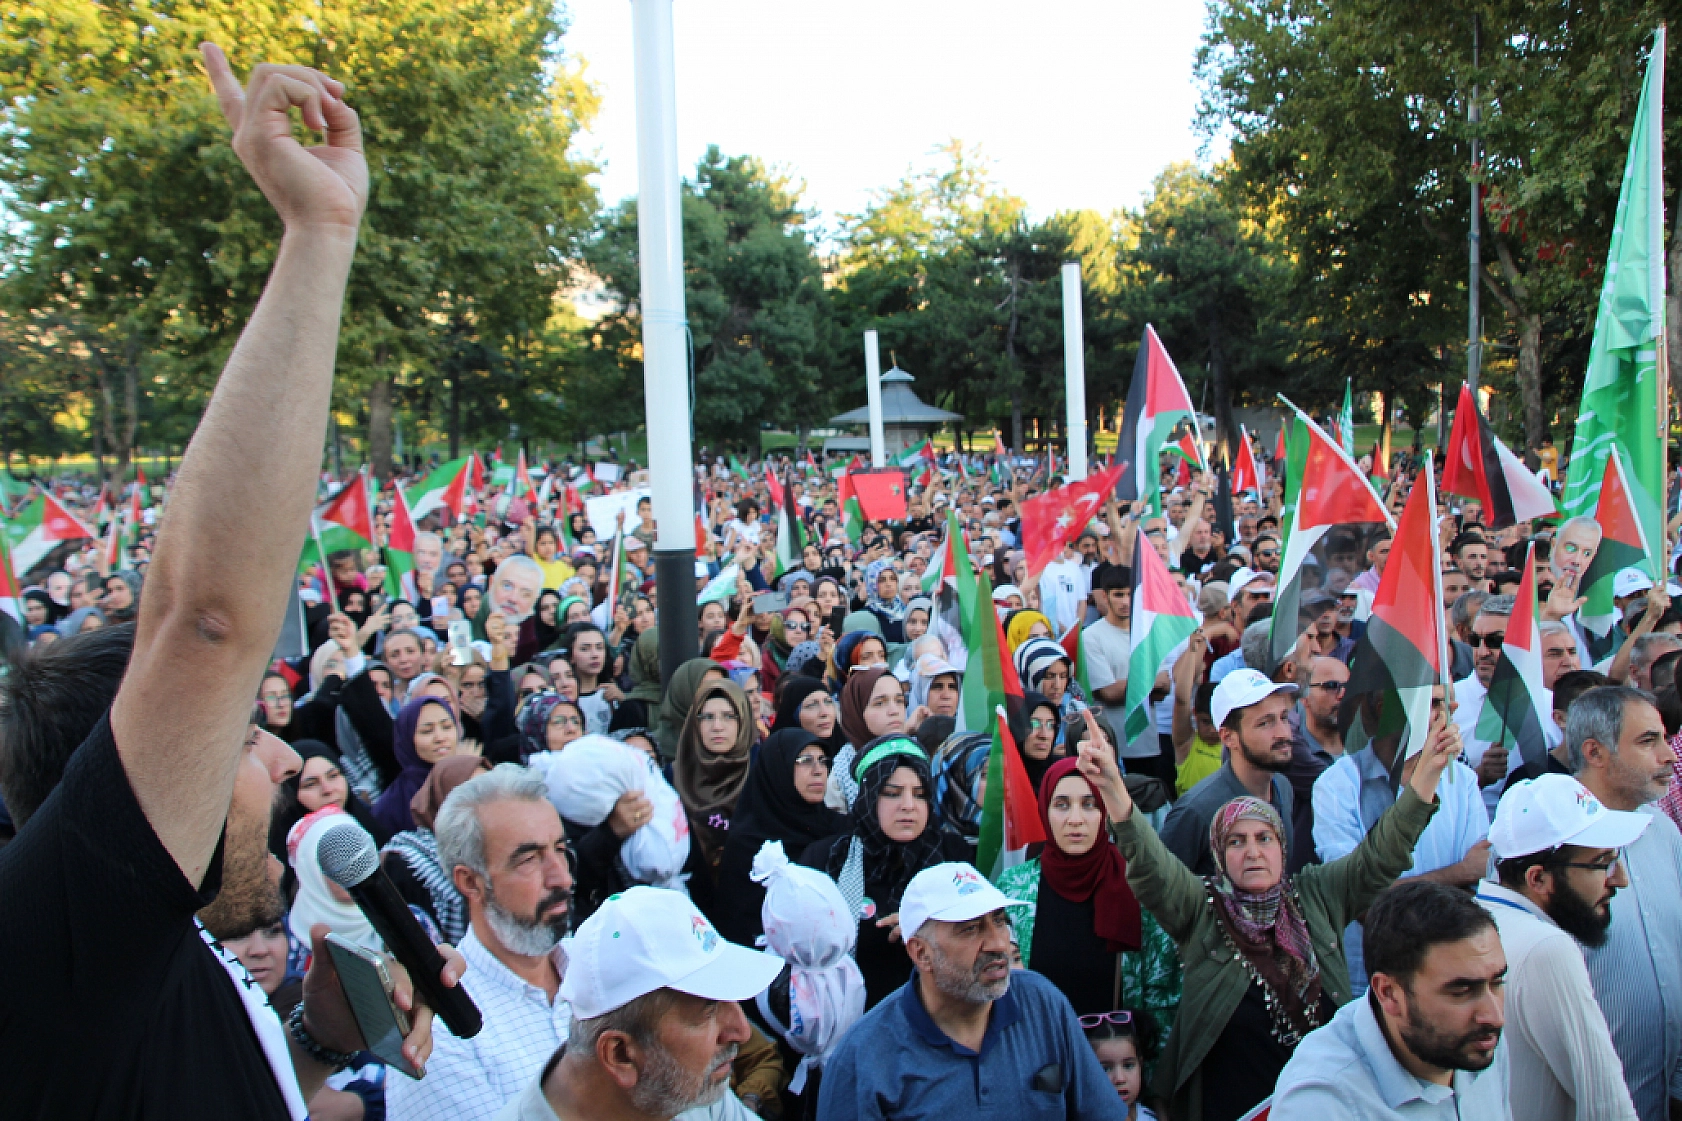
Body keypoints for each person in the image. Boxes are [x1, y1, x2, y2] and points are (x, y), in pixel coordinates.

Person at [0, 47, 461, 1117]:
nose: (279, 751)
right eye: (242, 734)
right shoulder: (61, 938)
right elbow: (204, 620)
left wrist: (317, 1046)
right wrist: (316, 233)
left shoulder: (158, 954)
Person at [1076, 693, 1461, 1121]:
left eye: (1264, 838)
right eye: (1236, 842)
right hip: (1231, 1103)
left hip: (1324, 1101)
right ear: (1220, 856)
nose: (1253, 852)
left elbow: (1380, 857)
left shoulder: (1318, 894)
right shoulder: (1201, 909)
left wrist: (1425, 778)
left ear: (1283, 845)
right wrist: (1112, 786)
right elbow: (1151, 863)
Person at [817, 861, 1126, 1121]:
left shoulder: (1042, 1004)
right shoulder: (864, 1057)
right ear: (922, 954)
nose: (998, 944)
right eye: (970, 929)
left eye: (1000, 921)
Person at [387, 765, 578, 1120]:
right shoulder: (441, 1030)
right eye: (529, 859)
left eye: (560, 849)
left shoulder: (600, 965)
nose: (562, 877)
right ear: (471, 882)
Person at [501, 885, 784, 1121]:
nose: (741, 1031)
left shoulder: (691, 1091)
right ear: (621, 1054)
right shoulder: (683, 1084)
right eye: (708, 1010)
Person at [1476, 771, 1649, 1120]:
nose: (1620, 880)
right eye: (1603, 864)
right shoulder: (1545, 949)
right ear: (1538, 878)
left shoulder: (1475, 920)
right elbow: (1608, 1107)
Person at [1270, 880, 1510, 1117]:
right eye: (1461, 991)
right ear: (1388, 993)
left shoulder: (1479, 1042)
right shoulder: (1320, 1102)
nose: (1495, 1017)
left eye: (1497, 982)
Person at [1312, 686, 1489, 990]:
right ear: (1386, 706)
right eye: (1433, 703)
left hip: (1451, 974)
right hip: (1369, 983)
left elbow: (1479, 885)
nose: (1445, 713)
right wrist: (1457, 873)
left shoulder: (1462, 781)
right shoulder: (1337, 786)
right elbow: (1362, 901)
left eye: (1446, 703)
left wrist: (1399, 889)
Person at [996, 750, 1181, 1032]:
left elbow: (1161, 1000)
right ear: (1044, 810)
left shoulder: (1135, 885)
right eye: (1061, 805)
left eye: (1089, 804)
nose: (1075, 819)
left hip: (1115, 1064)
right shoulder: (1014, 888)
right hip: (1038, 1055)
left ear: (1105, 811)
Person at [1564, 687, 1682, 1121]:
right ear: (1595, 752)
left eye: (1664, 739)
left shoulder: (1662, 829)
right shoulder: (1550, 842)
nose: (1669, 755)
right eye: (1648, 741)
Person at [799, 737, 971, 1009]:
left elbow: (982, 935)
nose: (908, 805)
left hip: (942, 1021)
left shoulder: (954, 859)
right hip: (854, 1025)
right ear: (868, 796)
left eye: (919, 794)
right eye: (892, 793)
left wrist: (934, 931)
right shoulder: (828, 859)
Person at [713, 728, 846, 948]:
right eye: (804, 760)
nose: (818, 771)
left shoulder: (839, 829)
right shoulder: (747, 843)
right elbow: (737, 925)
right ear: (778, 767)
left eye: (823, 761)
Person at [1159, 670, 1299, 876]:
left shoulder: (1283, 787)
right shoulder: (1197, 810)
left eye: (1284, 718)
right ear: (1229, 737)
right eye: (1265, 723)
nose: (1283, 733)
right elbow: (1160, 887)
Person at [381, 755, 492, 946]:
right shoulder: (409, 862)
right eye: (473, 794)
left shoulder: (507, 846)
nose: (487, 804)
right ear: (443, 800)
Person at [673, 678, 755, 919]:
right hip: (688, 907)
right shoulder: (674, 776)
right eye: (707, 717)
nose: (717, 726)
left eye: (729, 716)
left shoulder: (761, 773)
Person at [372, 694, 462, 835]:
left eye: (447, 727)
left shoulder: (472, 781)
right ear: (408, 739)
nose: (440, 737)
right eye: (427, 731)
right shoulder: (393, 804)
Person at [1082, 1011, 1159, 1121]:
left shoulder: (1150, 1118)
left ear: (1140, 1065)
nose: (1120, 1079)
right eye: (1106, 1069)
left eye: (1128, 1066)